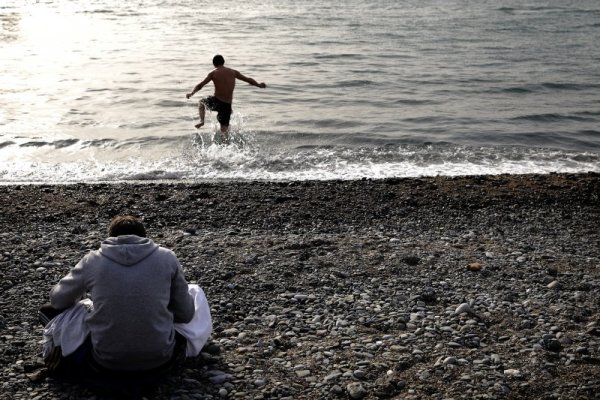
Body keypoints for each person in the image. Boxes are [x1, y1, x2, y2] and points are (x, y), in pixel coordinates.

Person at [39, 215, 201, 394]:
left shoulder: (93, 260)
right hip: (160, 360)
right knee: (196, 293)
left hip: (105, 363)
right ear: (144, 237)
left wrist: (90, 297)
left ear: (110, 237)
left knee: (47, 312)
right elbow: (185, 314)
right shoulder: (167, 258)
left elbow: (57, 300)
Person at [186, 54, 266, 143]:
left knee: (201, 102)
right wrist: (258, 85)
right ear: (223, 62)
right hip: (227, 105)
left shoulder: (213, 73)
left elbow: (201, 85)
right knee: (224, 131)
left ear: (214, 64)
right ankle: (227, 145)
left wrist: (191, 93)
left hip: (217, 101)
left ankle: (201, 121)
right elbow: (248, 79)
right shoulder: (233, 72)